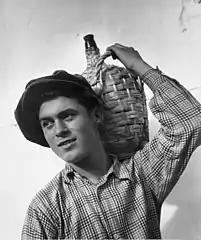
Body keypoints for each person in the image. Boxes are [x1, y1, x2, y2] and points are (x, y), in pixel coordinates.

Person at [15, 43, 201, 239]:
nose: (59, 131)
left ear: (96, 116)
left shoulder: (141, 173)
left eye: (68, 116)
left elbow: (191, 122)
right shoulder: (46, 208)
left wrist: (137, 65)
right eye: (47, 124)